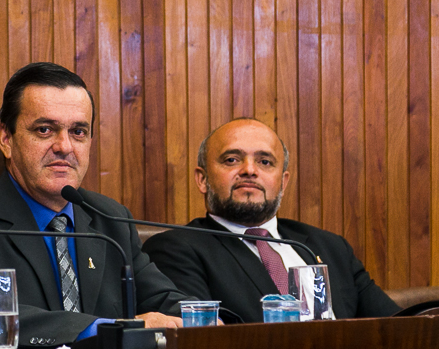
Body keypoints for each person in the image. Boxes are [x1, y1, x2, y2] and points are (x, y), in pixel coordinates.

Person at [0, 62, 188, 349]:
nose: (64, 146)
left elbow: (163, 300)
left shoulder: (109, 218)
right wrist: (106, 330)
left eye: (78, 132)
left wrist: (204, 322)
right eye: (45, 130)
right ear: (6, 139)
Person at [142, 118, 400, 323]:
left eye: (265, 162)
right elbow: (204, 340)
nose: (249, 170)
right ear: (202, 179)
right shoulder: (176, 249)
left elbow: (396, 324)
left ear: (283, 182)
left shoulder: (330, 246)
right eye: (232, 160)